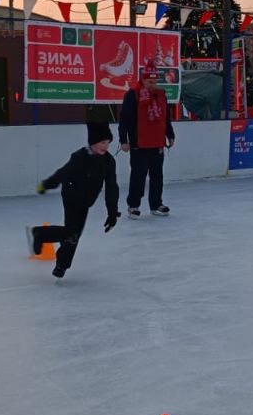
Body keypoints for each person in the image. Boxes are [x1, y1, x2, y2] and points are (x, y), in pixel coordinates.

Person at [27, 122, 121, 279]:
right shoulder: (79, 157)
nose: (106, 146)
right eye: (102, 142)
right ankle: (58, 260)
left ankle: (46, 241)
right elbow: (63, 172)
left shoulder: (108, 162)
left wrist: (112, 213)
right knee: (72, 233)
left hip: (86, 201)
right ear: (93, 142)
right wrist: (47, 184)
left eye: (108, 143)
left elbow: (112, 187)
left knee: (74, 233)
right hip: (71, 195)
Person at [118, 61, 175, 218]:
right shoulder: (132, 95)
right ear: (143, 79)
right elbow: (124, 119)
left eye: (155, 82)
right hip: (139, 143)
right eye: (150, 82)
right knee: (138, 176)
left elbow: (165, 117)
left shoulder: (161, 94)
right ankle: (133, 205)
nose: (152, 85)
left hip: (157, 142)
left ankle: (156, 204)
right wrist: (123, 140)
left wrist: (170, 134)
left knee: (157, 176)